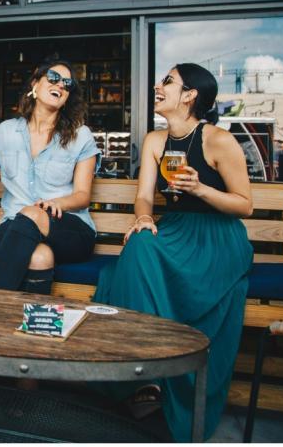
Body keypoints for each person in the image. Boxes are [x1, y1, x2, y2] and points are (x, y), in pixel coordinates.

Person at [93, 63, 253, 441]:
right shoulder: (154, 141)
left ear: (190, 95)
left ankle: (157, 374)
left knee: (128, 265)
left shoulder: (218, 140)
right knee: (139, 242)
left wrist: (201, 190)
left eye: (167, 81)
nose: (157, 86)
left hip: (217, 238)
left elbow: (245, 205)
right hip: (175, 228)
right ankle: (143, 375)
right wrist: (144, 217)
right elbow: (145, 196)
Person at [0, 59, 100, 295]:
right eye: (53, 77)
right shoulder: (5, 132)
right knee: (40, 257)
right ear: (35, 85)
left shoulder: (81, 135)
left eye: (67, 84)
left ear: (68, 97)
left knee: (30, 213)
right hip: (14, 228)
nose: (61, 84)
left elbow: (82, 196)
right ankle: (31, 326)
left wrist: (56, 203)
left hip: (67, 228)